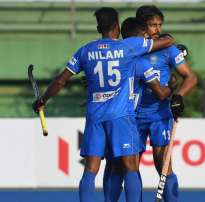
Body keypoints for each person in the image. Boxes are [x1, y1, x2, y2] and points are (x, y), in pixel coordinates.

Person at [32, 7, 175, 202]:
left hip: (95, 118)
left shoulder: (85, 50)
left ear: (99, 27)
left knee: (90, 169)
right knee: (130, 166)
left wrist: (42, 100)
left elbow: (60, 80)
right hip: (121, 117)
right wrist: (166, 40)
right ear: (117, 27)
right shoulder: (128, 47)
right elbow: (167, 42)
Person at [102, 5, 198, 202]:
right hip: (130, 115)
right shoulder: (125, 48)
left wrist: (178, 96)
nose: (157, 30)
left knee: (162, 163)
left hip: (159, 114)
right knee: (126, 165)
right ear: (141, 27)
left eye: (159, 25)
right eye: (152, 25)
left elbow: (190, 77)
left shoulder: (168, 49)